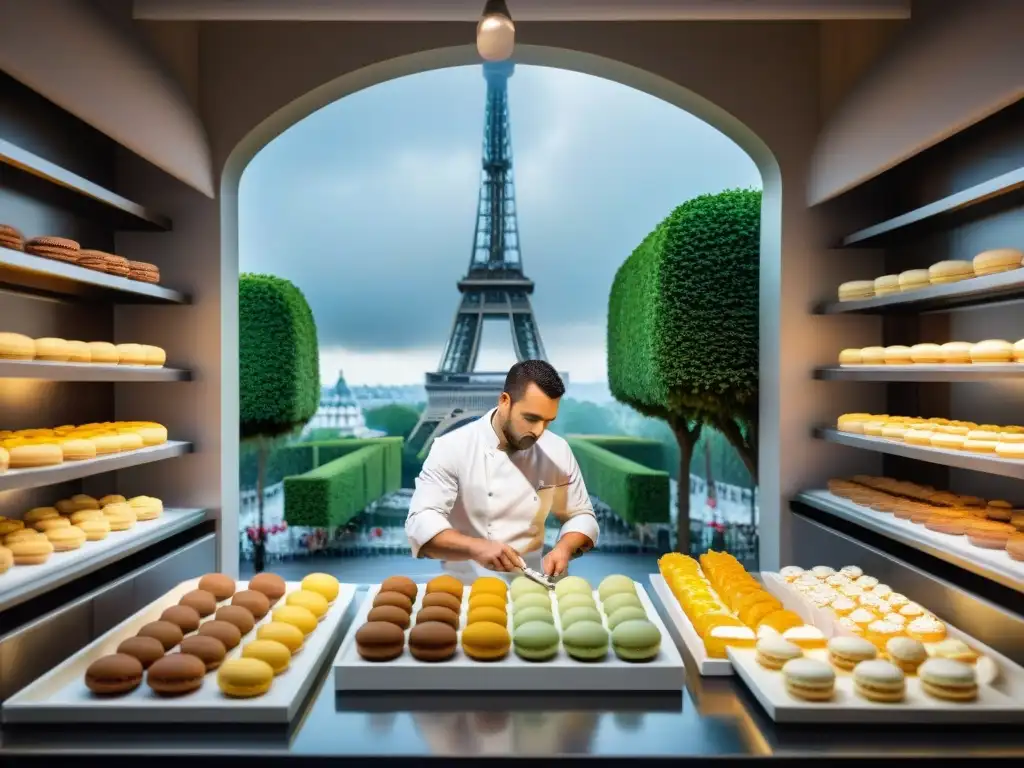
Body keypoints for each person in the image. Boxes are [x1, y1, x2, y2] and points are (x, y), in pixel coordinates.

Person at [405, 360, 599, 583]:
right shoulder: (451, 447)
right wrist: (475, 546)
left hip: (534, 584)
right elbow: (421, 519)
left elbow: (581, 514)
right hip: (465, 589)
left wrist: (564, 548)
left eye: (547, 421)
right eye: (531, 418)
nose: (538, 431)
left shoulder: (557, 449)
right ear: (504, 401)